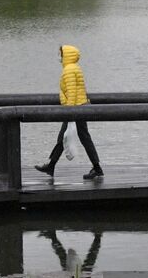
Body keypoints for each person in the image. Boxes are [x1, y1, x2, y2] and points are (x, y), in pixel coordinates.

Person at [35, 44, 104, 181]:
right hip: (79, 107)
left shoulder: (68, 70)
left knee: (65, 137)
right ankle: (95, 168)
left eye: (60, 54)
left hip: (74, 108)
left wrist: (69, 111)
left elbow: (72, 91)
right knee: (78, 137)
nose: (59, 57)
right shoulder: (74, 68)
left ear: (66, 55)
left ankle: (52, 165)